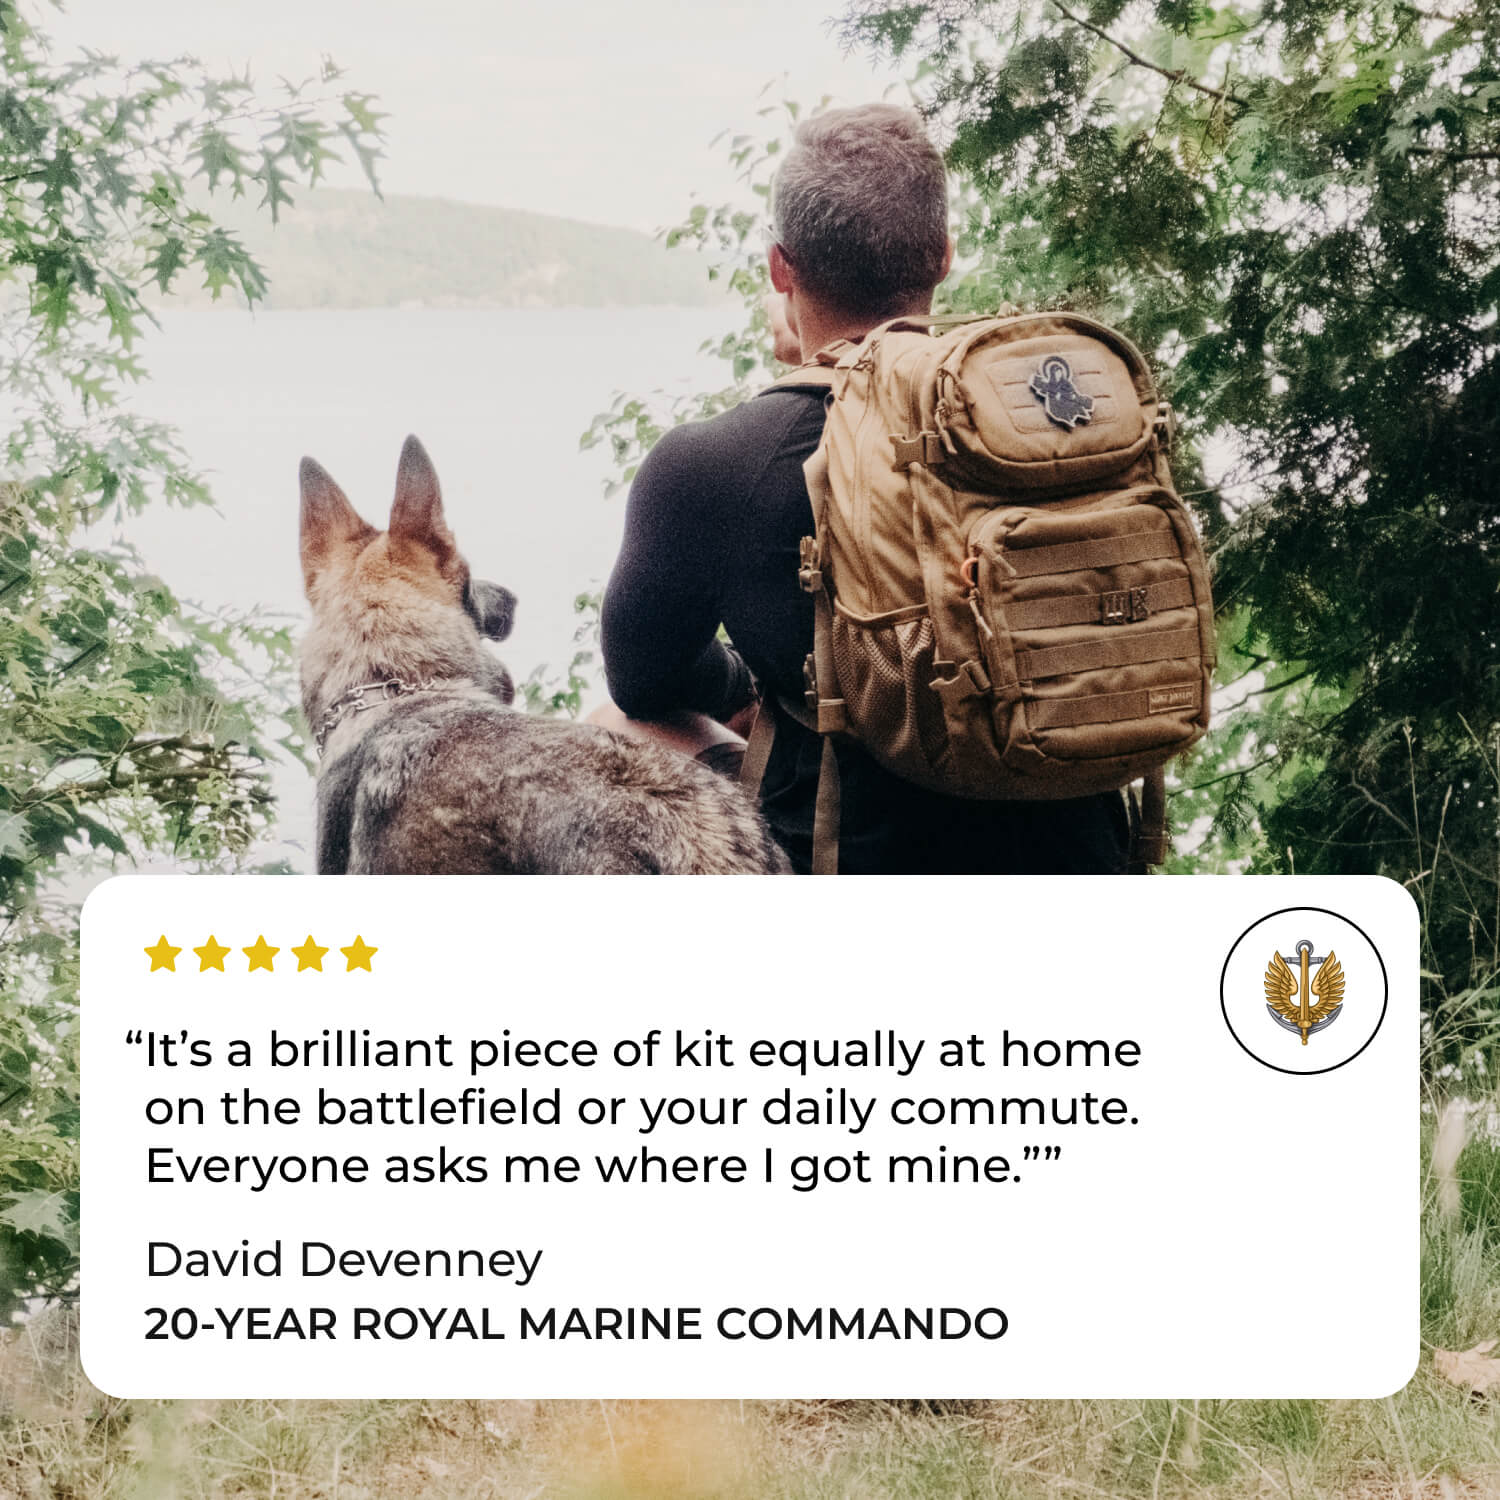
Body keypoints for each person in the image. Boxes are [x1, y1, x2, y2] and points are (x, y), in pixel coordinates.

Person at [592, 103, 1130, 874]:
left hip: (860, 869)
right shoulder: (1055, 413)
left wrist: (761, 686)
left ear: (781, 268)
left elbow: (645, 682)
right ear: (942, 257)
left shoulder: (713, 462)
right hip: (1086, 862)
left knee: (609, 719)